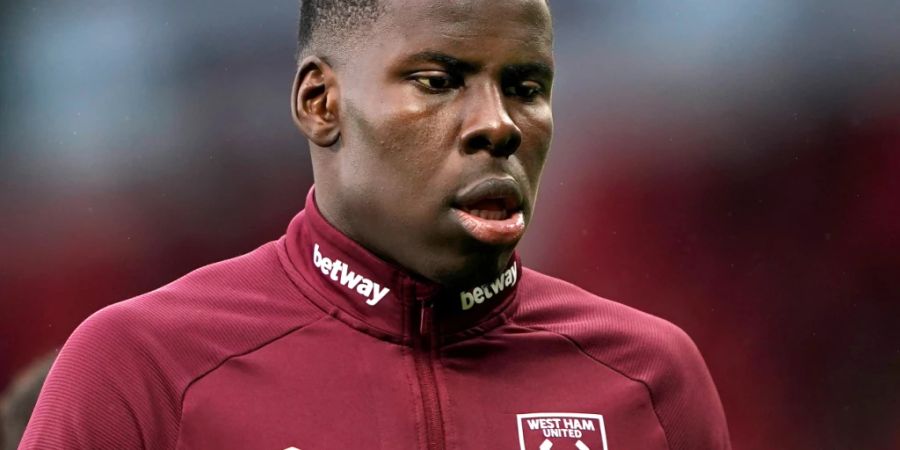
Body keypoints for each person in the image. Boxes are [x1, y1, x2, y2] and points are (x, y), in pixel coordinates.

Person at [22, 0, 731, 448]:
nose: (499, 125)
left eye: (526, 88)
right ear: (320, 102)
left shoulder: (649, 379)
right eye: (439, 81)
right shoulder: (142, 370)